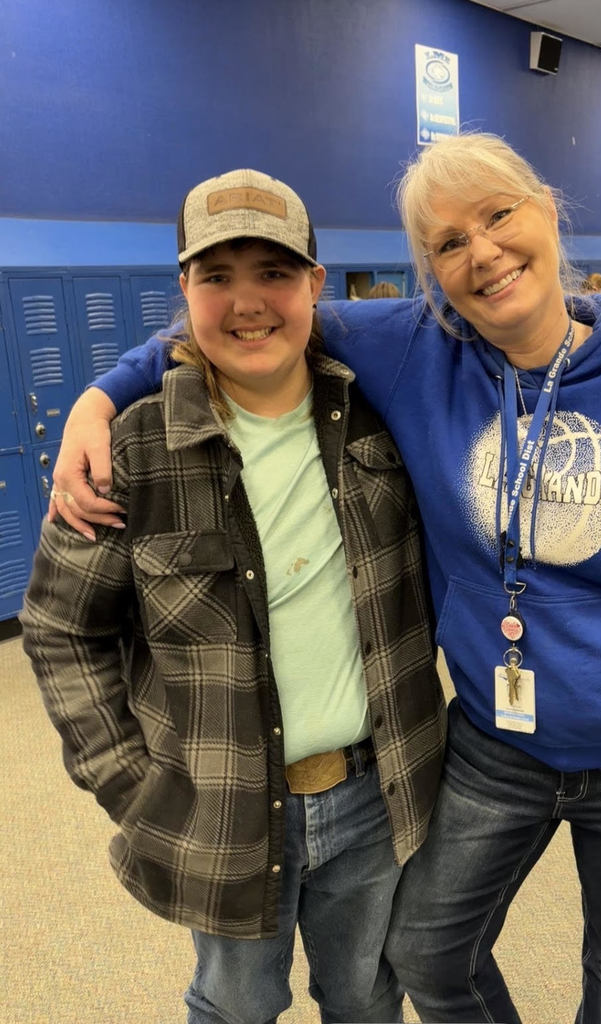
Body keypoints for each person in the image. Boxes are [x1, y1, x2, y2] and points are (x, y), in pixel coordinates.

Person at [47, 135, 601, 1024]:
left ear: (547, 210)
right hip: (499, 743)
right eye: (448, 243)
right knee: (423, 951)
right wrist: (101, 395)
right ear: (429, 273)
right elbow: (242, 319)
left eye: (498, 216)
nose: (482, 252)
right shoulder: (416, 353)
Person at [20, 169, 447, 1024]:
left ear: (317, 288)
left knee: (365, 996)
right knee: (236, 1004)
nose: (247, 302)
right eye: (217, 276)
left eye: (274, 273)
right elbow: (60, 630)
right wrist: (130, 783)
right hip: (222, 805)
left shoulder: (381, 418)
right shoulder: (131, 455)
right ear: (183, 289)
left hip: (375, 793)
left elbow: (519, 334)